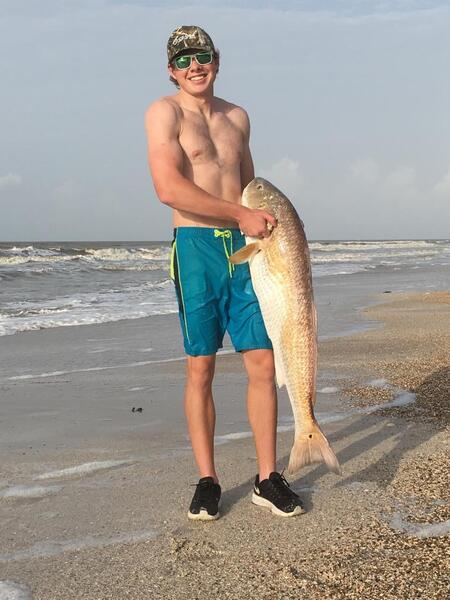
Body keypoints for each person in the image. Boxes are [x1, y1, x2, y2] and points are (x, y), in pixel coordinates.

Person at [145, 25, 304, 520]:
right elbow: (169, 188)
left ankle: (266, 477)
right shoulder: (163, 113)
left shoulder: (237, 116)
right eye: (185, 58)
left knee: (262, 361)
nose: (196, 65)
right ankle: (208, 480)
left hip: (247, 249)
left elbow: (251, 187)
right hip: (196, 247)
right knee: (202, 365)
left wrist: (278, 227)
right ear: (172, 70)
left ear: (217, 60)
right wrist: (238, 215)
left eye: (204, 55)